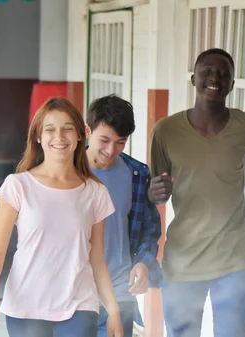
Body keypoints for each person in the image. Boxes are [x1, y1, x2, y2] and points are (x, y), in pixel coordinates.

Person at [0, 97, 124, 337]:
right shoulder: (17, 186)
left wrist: (114, 310)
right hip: (27, 307)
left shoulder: (94, 192)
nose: (59, 137)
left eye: (68, 128)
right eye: (50, 130)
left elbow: (97, 258)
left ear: (81, 134)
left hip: (80, 305)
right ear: (38, 136)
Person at [148, 48, 245, 337]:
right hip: (183, 260)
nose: (215, 78)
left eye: (224, 73)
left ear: (232, 84)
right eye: (207, 72)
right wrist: (155, 193)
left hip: (234, 260)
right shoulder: (166, 131)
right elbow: (158, 192)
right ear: (193, 79)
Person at [85, 95, 162, 337]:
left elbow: (149, 228)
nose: (111, 150)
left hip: (119, 292)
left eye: (120, 142)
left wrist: (143, 262)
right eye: (104, 140)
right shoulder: (66, 172)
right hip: (73, 295)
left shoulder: (136, 173)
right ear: (88, 131)